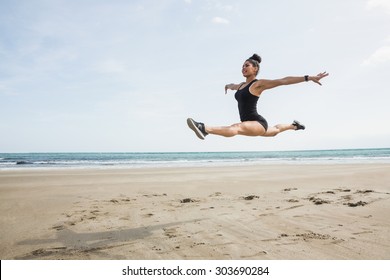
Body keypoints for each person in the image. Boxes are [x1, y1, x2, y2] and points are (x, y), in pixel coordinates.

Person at [187, 53, 329, 140]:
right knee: (276, 131)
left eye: (246, 65)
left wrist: (308, 78)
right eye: (242, 66)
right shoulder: (242, 85)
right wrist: (228, 86)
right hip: (251, 125)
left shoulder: (258, 84)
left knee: (236, 127)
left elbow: (283, 81)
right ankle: (294, 126)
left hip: (257, 123)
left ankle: (204, 128)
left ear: (255, 69)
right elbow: (234, 85)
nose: (243, 68)